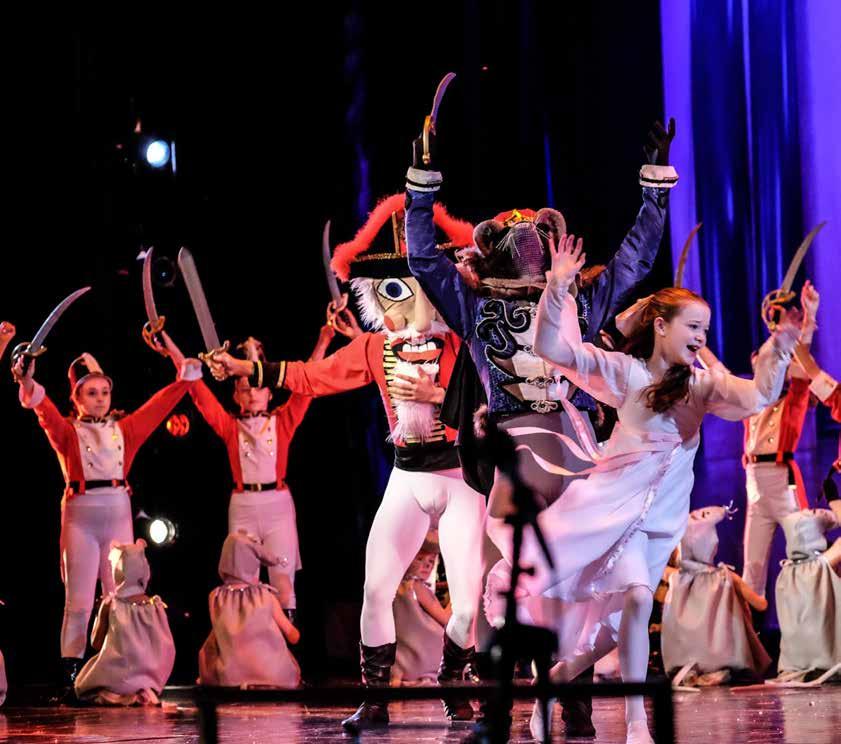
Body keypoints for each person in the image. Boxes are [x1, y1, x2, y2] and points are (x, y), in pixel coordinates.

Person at [489, 235, 799, 744]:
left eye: (705, 329)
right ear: (660, 326)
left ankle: (555, 681)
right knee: (636, 599)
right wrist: (557, 288)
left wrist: (782, 346)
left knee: (614, 628)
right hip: (613, 512)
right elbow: (551, 350)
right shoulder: (625, 373)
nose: (701, 337)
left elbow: (758, 395)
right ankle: (638, 725)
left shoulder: (701, 386)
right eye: (693, 327)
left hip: (660, 524)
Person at [205, 198, 485, 731]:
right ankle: (374, 700)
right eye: (391, 291)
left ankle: (454, 682)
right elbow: (313, 378)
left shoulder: (465, 343)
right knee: (375, 589)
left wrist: (438, 394)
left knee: (467, 607)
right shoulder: (377, 348)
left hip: (459, 479)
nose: (404, 306)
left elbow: (488, 406)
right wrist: (249, 368)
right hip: (407, 477)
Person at [12, 348, 199, 694]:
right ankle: (72, 676)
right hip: (80, 516)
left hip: (117, 512)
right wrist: (26, 380)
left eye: (104, 392)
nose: (99, 399)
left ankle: (123, 669)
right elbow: (44, 412)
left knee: (122, 597)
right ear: (76, 398)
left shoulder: (124, 429)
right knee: (79, 600)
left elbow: (157, 408)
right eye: (91, 393)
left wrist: (184, 381)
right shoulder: (68, 431)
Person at [159, 324, 333, 620]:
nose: (251, 394)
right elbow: (197, 388)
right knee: (240, 583)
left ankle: (283, 641)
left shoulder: (283, 421)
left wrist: (324, 339)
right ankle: (246, 640)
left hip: (277, 505)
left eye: (257, 387)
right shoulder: (231, 428)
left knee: (283, 581)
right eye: (244, 389)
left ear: (269, 393)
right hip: (243, 507)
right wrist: (171, 348)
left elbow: (307, 383)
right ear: (236, 396)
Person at [741, 282, 820, 599]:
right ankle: (748, 625)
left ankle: (815, 614)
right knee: (752, 567)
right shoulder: (750, 400)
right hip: (754, 484)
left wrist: (807, 320)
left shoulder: (795, 395)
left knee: (806, 552)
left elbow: (800, 362)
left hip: (780, 479)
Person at [661, 504, 770, 685]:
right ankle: (716, 671)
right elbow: (761, 604)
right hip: (724, 659)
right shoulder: (726, 578)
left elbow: (654, 569)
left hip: (684, 661)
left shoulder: (675, 578)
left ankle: (691, 672)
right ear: (713, 544)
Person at [74, 539, 175, 705]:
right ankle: (140, 692)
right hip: (147, 678)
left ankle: (121, 694)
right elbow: (165, 646)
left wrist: (100, 614)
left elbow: (96, 643)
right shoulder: (155, 605)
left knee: (87, 685)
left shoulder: (111, 604)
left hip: (117, 677)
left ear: (117, 571)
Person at [198, 530, 301, 688]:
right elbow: (291, 633)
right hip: (270, 672)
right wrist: (293, 634)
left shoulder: (216, 597)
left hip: (230, 674)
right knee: (284, 666)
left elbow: (219, 630)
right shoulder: (265, 595)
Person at [775, 507, 841, 678]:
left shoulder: (786, 572)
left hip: (795, 658)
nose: (812, 510)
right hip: (823, 652)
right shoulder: (820, 565)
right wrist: (834, 504)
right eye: (812, 512)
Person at [392, 533, 448, 686]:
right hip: (419, 657)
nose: (427, 565)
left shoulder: (394, 586)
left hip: (401, 657)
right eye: (420, 559)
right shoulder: (414, 585)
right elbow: (445, 619)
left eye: (431, 561)